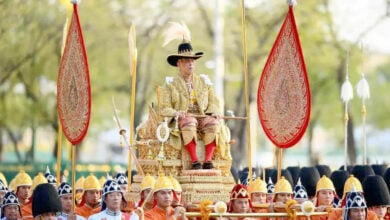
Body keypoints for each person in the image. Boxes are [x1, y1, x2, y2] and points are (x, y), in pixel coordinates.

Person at [160, 22, 223, 170]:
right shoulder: (170, 84)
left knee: (213, 123)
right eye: (187, 61)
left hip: (201, 116)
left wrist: (214, 112)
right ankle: (195, 160)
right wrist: (176, 113)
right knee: (189, 121)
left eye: (192, 61)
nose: (191, 65)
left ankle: (208, 160)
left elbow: (214, 101)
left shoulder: (204, 81)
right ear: (178, 64)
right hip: (183, 119)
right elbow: (164, 108)